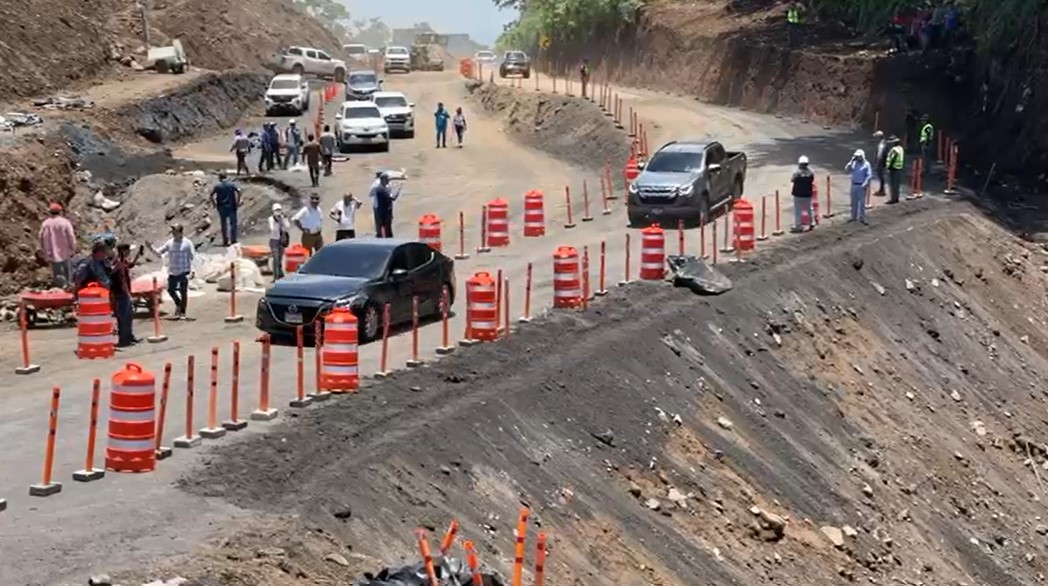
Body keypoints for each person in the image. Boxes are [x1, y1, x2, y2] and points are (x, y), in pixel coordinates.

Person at [153, 223, 195, 320]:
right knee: (170, 290)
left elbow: (193, 257)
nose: (173, 234)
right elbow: (159, 252)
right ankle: (178, 304)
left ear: (180, 232)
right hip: (173, 271)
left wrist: (193, 270)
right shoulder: (169, 243)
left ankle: (183, 312)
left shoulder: (187, 243)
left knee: (183, 291)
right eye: (173, 232)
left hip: (184, 271)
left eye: (175, 232)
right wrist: (151, 248)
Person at [110, 242, 144, 347]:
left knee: (127, 317)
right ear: (124, 251)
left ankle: (129, 337)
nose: (129, 252)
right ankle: (124, 339)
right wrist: (128, 295)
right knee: (124, 318)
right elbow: (122, 281)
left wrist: (137, 256)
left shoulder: (121, 262)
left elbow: (129, 265)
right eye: (128, 250)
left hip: (122, 295)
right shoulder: (119, 265)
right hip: (121, 295)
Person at [39, 202, 77, 288]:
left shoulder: (46, 223)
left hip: (52, 252)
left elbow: (41, 237)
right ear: (60, 211)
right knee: (68, 272)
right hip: (66, 251)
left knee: (57, 273)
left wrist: (44, 250)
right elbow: (71, 236)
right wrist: (73, 248)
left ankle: (60, 290)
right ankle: (69, 288)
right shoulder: (65, 222)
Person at [209, 173, 242, 246]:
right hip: (232, 206)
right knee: (233, 224)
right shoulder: (231, 184)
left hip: (221, 207)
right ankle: (233, 240)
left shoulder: (217, 186)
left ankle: (225, 241)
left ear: (220, 178)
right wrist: (237, 202)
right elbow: (239, 191)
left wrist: (214, 204)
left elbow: (211, 195)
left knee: (223, 224)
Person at [844, 149, 872, 225]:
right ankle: (854, 217)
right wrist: (851, 161)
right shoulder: (854, 163)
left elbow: (869, 175)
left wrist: (865, 183)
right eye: (856, 156)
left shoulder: (866, 164)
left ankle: (862, 217)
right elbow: (846, 170)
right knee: (854, 202)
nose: (857, 158)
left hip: (861, 185)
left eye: (858, 156)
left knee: (862, 203)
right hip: (854, 184)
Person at [372, 172, 402, 238]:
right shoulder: (380, 189)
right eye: (387, 179)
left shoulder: (382, 188)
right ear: (383, 180)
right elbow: (393, 198)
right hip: (384, 213)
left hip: (383, 211)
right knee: (387, 230)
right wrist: (398, 190)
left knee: (384, 229)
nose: (389, 180)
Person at [790, 155, 816, 232]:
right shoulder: (811, 172)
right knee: (809, 209)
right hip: (807, 194)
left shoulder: (796, 172)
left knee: (798, 210)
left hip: (798, 194)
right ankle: (812, 222)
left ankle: (798, 225)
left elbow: (792, 180)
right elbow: (812, 180)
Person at [268, 203, 291, 281]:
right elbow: (272, 229)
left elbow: (288, 227)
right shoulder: (271, 219)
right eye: (276, 211)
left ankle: (280, 274)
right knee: (276, 258)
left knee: (280, 259)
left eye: (279, 210)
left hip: (281, 240)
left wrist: (283, 221)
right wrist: (277, 222)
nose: (278, 212)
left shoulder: (283, 218)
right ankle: (275, 276)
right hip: (274, 240)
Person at [885, 136, 905, 204]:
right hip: (899, 168)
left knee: (892, 185)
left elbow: (892, 159)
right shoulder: (901, 149)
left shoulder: (894, 150)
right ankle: (896, 198)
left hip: (893, 168)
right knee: (897, 185)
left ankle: (893, 199)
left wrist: (889, 168)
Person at [873, 130, 889, 195]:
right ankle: (881, 189)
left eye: (876, 137)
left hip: (881, 161)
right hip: (880, 160)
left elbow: (882, 154)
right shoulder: (881, 144)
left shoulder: (882, 145)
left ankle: (882, 190)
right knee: (880, 176)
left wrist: (879, 162)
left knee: (881, 176)